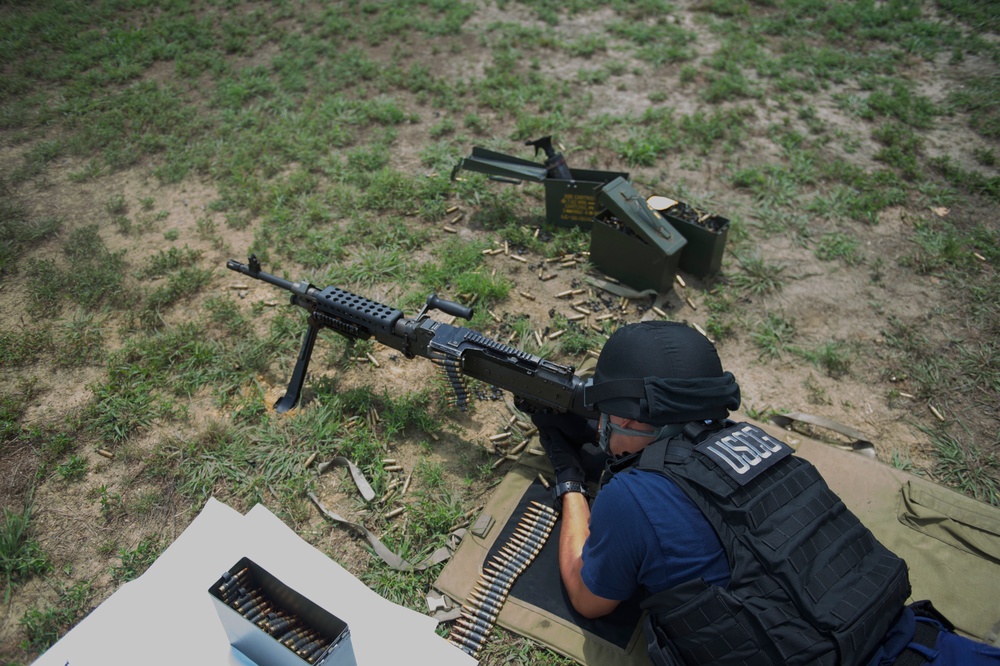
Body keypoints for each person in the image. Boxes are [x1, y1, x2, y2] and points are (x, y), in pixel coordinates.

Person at [532, 321, 1000, 666]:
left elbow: (588, 596)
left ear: (631, 418)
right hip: (922, 642)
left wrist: (570, 478)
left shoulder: (631, 499)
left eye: (606, 414)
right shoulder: (757, 442)